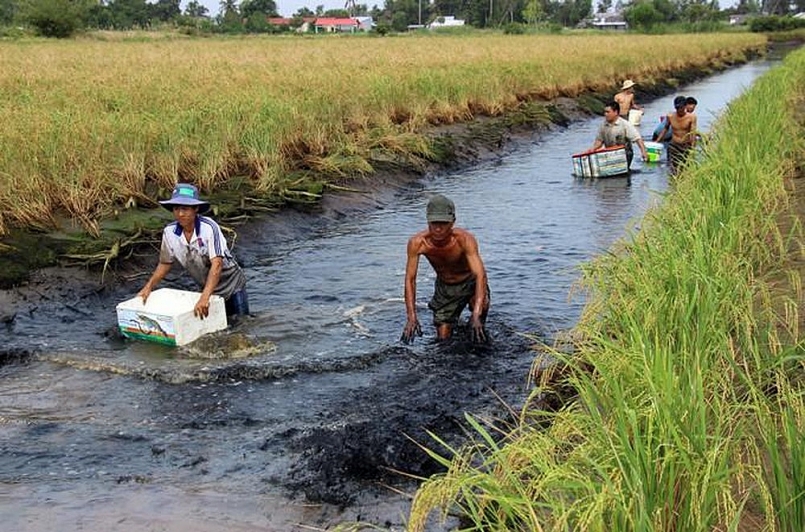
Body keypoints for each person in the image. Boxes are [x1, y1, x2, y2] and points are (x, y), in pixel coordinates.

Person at [138, 183, 250, 322]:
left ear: (196, 209)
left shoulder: (209, 228)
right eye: (176, 208)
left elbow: (217, 264)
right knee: (216, 327)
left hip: (231, 285)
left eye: (185, 209)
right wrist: (148, 287)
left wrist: (204, 298)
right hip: (206, 286)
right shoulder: (169, 232)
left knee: (241, 323)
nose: (180, 213)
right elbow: (165, 263)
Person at [401, 194, 490, 344]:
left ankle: (478, 326)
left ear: (452, 222)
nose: (438, 229)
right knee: (443, 340)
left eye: (443, 223)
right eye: (434, 223)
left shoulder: (464, 240)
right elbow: (410, 280)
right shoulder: (417, 243)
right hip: (446, 287)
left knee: (478, 323)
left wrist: (476, 314)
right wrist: (411, 317)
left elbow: (480, 275)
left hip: (470, 281)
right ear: (428, 221)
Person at [592, 100, 648, 170]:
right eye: (605, 112)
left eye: (608, 112)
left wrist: (643, 152)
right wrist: (592, 150)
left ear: (615, 112)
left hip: (625, 153)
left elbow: (637, 138)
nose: (605, 114)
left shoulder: (625, 124)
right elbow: (599, 141)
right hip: (610, 153)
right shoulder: (603, 125)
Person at [655, 95, 698, 175]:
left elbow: (693, 133)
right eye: (677, 108)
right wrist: (657, 141)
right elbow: (665, 129)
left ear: (685, 106)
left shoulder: (691, 117)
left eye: (681, 108)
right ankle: (673, 185)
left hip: (686, 146)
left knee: (685, 168)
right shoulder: (670, 116)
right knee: (673, 169)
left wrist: (693, 148)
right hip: (674, 145)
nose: (679, 110)